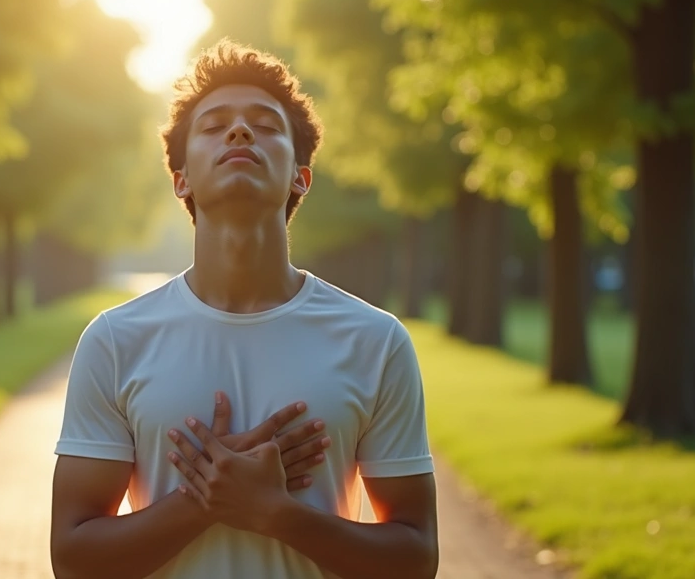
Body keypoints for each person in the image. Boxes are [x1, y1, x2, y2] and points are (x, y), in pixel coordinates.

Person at [50, 40, 438, 579]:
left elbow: (416, 560)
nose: (239, 132)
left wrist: (276, 514)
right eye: (213, 127)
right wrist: (207, 496)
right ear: (181, 178)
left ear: (300, 176)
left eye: (265, 124)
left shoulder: (374, 340)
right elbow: (73, 561)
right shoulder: (116, 340)